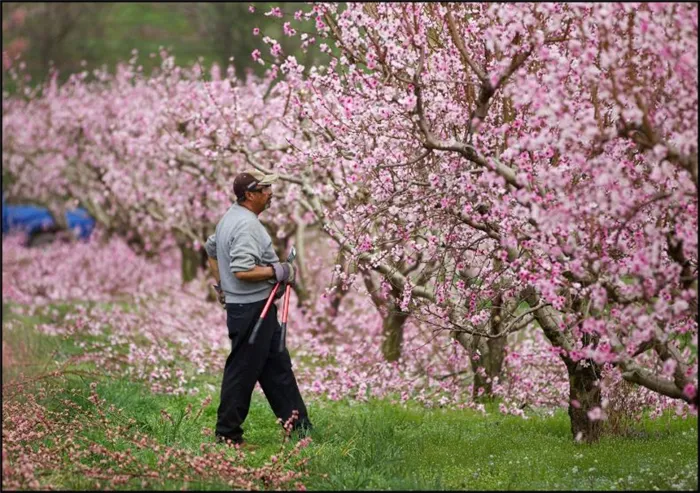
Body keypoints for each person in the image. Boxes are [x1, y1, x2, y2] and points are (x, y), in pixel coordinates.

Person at [204, 169, 312, 446]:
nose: (270, 193)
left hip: (254, 308)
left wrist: (221, 286)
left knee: (278, 367)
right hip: (252, 311)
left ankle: (299, 429)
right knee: (242, 371)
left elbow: (211, 249)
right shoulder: (246, 225)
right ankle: (227, 434)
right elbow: (242, 269)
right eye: (264, 189)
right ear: (250, 195)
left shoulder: (231, 217)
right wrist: (278, 271)